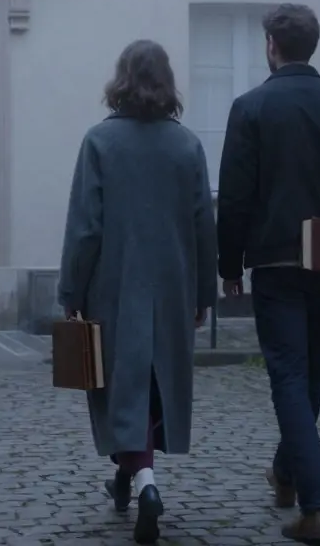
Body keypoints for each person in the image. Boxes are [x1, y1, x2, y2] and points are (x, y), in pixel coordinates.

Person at [215, 4, 320, 542]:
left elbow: (236, 197)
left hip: (274, 264)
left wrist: (229, 266)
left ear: (271, 45)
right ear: (312, 45)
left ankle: (316, 508)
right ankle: (286, 475)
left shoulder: (250, 108)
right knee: (307, 372)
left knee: (291, 376)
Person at [57, 39, 218, 545]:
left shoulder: (100, 143)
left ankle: (146, 484)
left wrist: (71, 290)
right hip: (171, 286)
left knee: (119, 391)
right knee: (149, 389)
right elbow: (202, 225)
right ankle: (126, 478)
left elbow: (85, 228)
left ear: (121, 80)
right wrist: (203, 294)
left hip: (115, 286)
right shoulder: (187, 145)